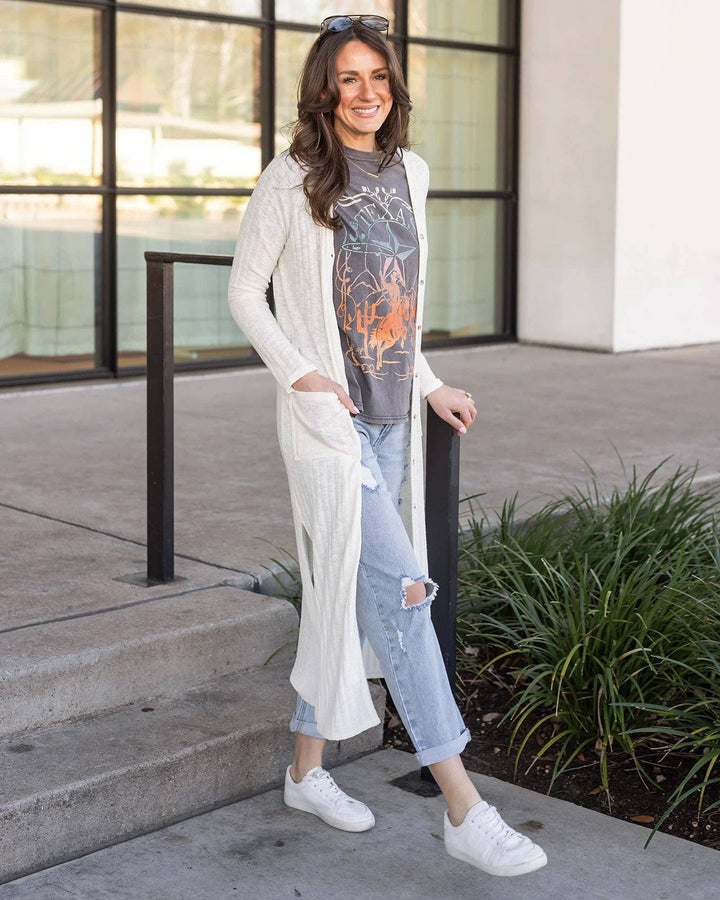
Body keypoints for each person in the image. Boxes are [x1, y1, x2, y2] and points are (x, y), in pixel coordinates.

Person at [228, 13, 547, 879]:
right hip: (330, 428)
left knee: (343, 592)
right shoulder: (292, 178)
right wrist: (299, 375)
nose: (366, 94)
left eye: (379, 78)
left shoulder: (413, 172)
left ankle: (304, 774)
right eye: (348, 80)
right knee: (404, 596)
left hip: (393, 418)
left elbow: (397, 302)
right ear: (324, 91)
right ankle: (463, 807)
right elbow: (245, 294)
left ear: (394, 88)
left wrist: (432, 381)